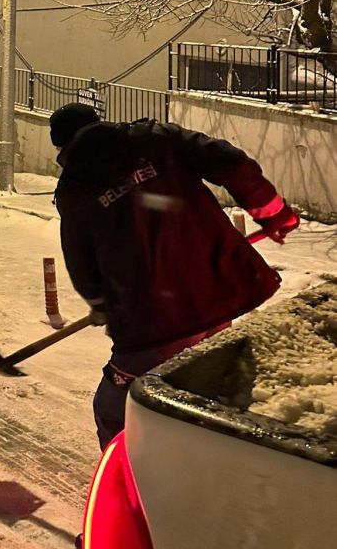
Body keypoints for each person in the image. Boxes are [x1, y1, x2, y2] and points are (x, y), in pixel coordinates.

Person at [50, 102, 299, 452]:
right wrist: (273, 213)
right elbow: (230, 162)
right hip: (213, 294)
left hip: (153, 320)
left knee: (115, 409)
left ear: (62, 146)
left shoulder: (75, 188)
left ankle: (132, 479)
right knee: (208, 384)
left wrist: (100, 303)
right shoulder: (157, 138)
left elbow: (81, 260)